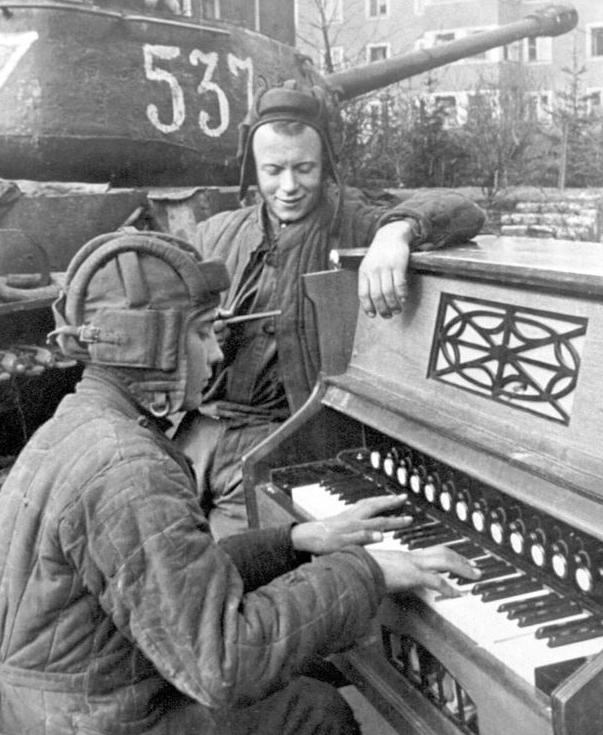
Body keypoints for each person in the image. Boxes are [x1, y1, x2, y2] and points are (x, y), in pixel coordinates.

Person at [0, 229, 480, 735]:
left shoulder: (81, 422)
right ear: (151, 347)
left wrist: (296, 541)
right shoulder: (127, 469)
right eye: (203, 334)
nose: (215, 353)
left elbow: (163, 579)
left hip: (59, 711)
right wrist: (363, 572)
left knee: (317, 711)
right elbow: (225, 664)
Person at [175, 79, 486, 539]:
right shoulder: (214, 234)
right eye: (273, 170)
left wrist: (396, 231)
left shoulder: (355, 221)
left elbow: (464, 209)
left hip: (279, 443)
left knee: (230, 573)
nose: (289, 186)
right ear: (251, 170)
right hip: (193, 435)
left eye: (305, 168)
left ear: (326, 165)